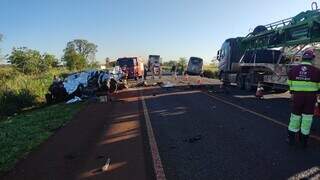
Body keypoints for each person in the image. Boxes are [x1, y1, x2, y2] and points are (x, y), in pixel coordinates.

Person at [287, 49, 320, 148]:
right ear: (312, 59)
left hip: (297, 97)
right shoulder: (317, 71)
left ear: (302, 58)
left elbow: (290, 83)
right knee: (307, 118)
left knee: (295, 117)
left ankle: (291, 139)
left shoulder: (293, 70)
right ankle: (304, 141)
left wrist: (292, 92)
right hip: (311, 98)